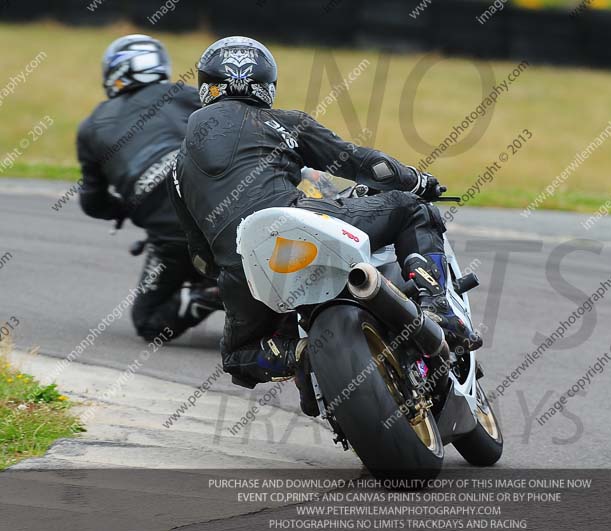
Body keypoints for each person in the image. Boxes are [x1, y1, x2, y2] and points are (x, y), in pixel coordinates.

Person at [169, 36, 481, 415]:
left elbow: (200, 256)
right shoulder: (282, 123)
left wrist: (230, 275)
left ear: (205, 86)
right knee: (412, 210)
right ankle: (437, 307)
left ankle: (296, 354)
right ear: (267, 86)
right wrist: (416, 180)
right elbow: (367, 165)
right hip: (295, 222)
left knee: (238, 356)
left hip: (244, 268)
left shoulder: (178, 168)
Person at [77, 34, 221, 343]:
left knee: (148, 323)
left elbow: (92, 202)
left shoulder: (91, 127)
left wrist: (124, 207)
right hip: (229, 209)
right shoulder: (185, 94)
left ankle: (212, 293)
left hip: (171, 238)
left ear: (114, 73)